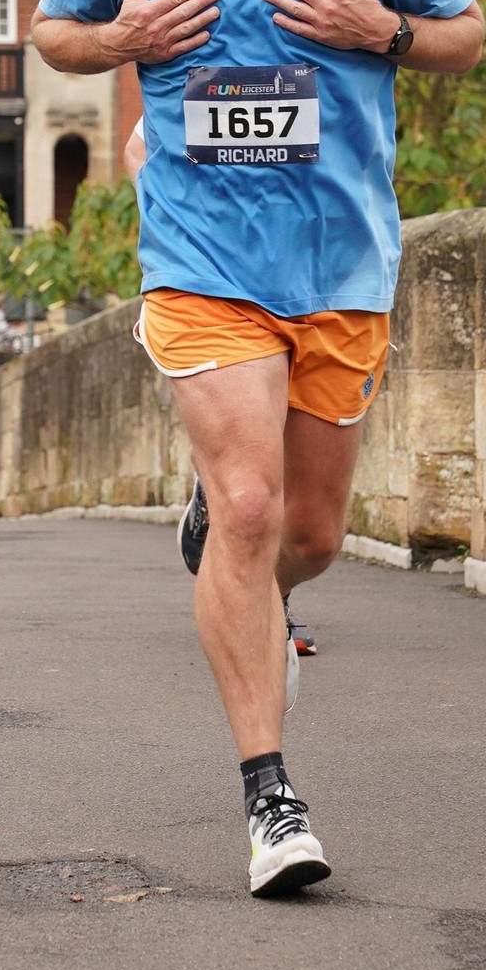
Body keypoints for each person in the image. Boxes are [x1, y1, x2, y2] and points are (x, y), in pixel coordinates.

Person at [31, 0, 483, 898]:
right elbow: (52, 30)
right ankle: (271, 797)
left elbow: (466, 35)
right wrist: (118, 42)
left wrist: (375, 26)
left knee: (310, 536)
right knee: (246, 508)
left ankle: (235, 560)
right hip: (203, 260)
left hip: (340, 262)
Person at [123, 118, 319, 656]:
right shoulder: (210, 51)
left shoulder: (323, 52)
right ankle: (263, 611)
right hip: (213, 286)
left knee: (314, 535)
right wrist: (174, 218)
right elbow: (138, 148)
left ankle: (268, 591)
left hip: (318, 282)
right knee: (253, 493)